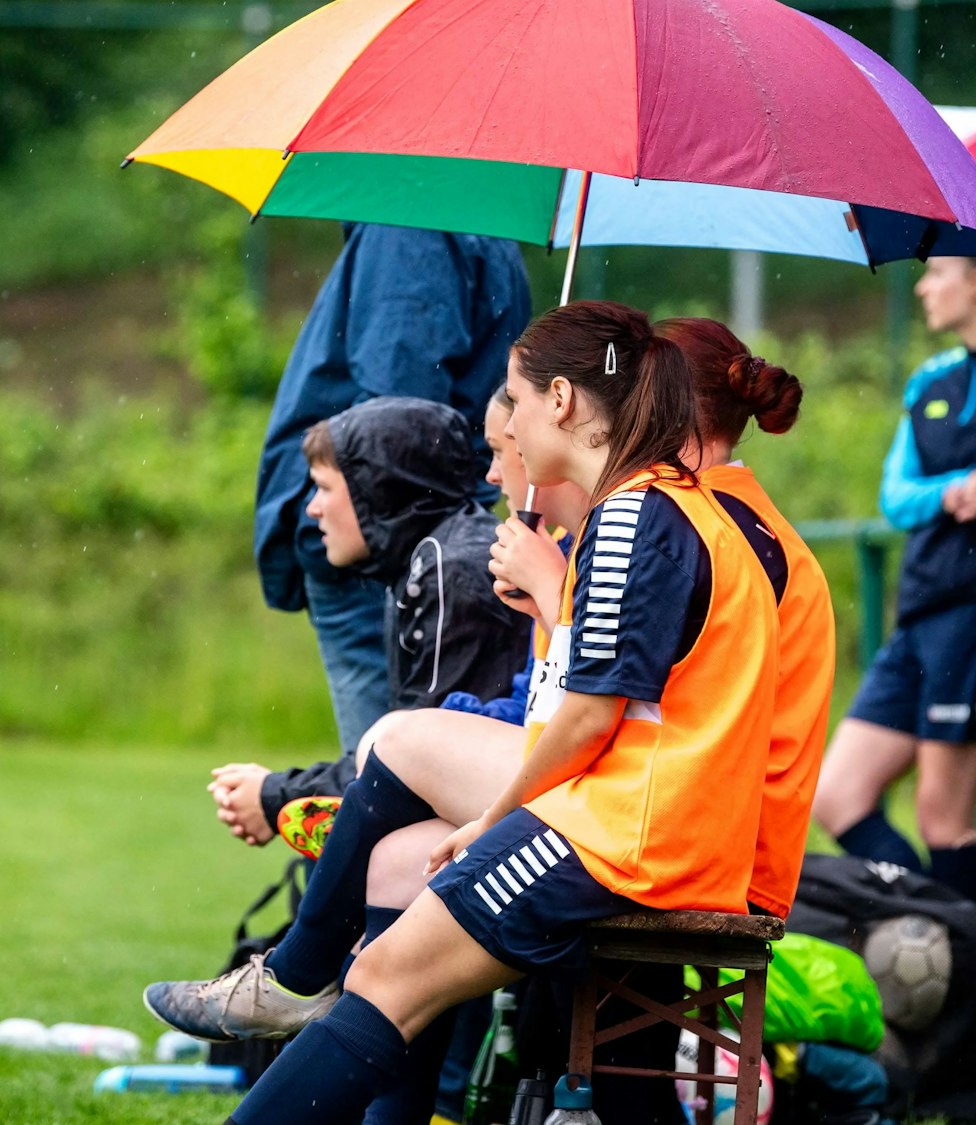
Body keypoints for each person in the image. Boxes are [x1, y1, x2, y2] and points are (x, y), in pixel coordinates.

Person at [148, 316, 829, 1121]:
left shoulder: (637, 515)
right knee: (391, 960)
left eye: (515, 396)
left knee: (387, 975)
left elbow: (587, 719)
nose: (505, 421)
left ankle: (295, 976)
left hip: (630, 840)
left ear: (564, 399)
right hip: (648, 827)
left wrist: (497, 819)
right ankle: (297, 977)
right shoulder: (672, 508)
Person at [811, 255, 976, 906]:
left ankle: (967, 982)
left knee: (944, 816)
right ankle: (932, 938)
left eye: (938, 272)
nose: (922, 286)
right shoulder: (930, 379)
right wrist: (955, 489)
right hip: (922, 608)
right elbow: (895, 495)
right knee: (836, 796)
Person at [255, 224, 531, 758]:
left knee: (383, 779)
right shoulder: (487, 225)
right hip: (413, 545)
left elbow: (397, 425)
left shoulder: (412, 227)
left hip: (381, 551)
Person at [211, 396, 532, 848]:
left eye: (324, 487)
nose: (312, 509)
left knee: (374, 858)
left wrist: (275, 796)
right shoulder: (433, 557)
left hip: (504, 826)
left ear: (376, 490)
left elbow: (417, 762)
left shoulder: (450, 572)